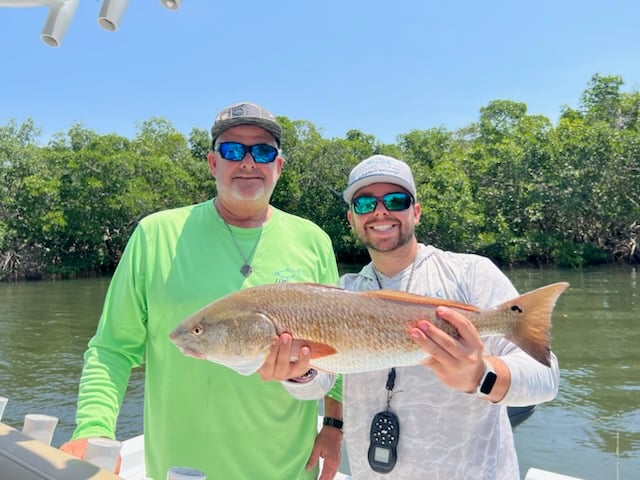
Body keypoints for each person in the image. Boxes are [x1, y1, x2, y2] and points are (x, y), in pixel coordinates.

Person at [60, 101, 343, 480]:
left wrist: (335, 426)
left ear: (278, 166)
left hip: (290, 466)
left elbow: (339, 348)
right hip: (183, 468)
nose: (247, 161)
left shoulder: (313, 240)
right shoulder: (155, 234)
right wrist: (92, 430)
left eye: (262, 151)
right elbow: (112, 348)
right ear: (213, 163)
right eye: (231, 150)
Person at [328, 154, 560, 479]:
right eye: (365, 203)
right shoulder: (341, 295)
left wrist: (481, 376)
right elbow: (316, 384)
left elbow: (547, 379)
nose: (381, 211)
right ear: (351, 219)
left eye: (396, 200)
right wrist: (298, 375)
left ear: (416, 212)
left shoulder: (470, 274)